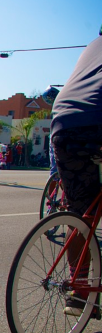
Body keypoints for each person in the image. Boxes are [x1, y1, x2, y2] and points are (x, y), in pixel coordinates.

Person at [47, 31, 102, 316]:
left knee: (81, 213)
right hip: (98, 120)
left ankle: (79, 292)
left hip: (64, 122)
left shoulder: (92, 47)